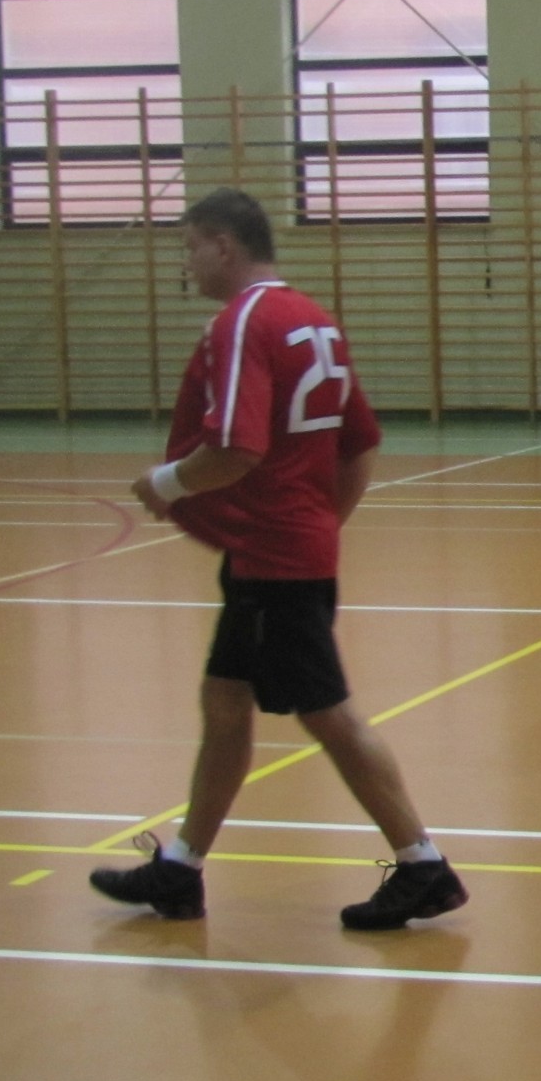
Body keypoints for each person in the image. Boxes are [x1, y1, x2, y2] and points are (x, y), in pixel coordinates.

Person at [88, 188, 468, 930]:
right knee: (225, 702)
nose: (187, 263)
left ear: (223, 245)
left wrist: (166, 484)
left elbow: (236, 447)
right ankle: (181, 869)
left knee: (330, 716)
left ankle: (423, 863)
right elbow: (361, 443)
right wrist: (322, 524)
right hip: (277, 553)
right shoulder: (312, 319)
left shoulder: (244, 324)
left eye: (191, 247)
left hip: (274, 561)